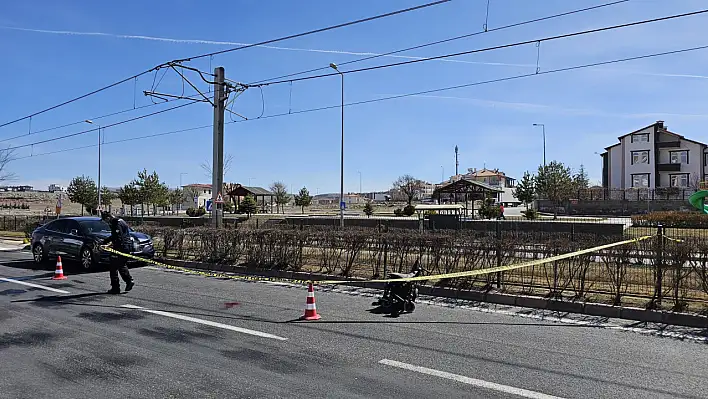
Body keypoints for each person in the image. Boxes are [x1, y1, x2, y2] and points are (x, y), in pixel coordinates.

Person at [100, 211, 135, 294]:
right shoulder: (120, 221)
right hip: (124, 246)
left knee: (117, 266)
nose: (106, 223)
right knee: (117, 266)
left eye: (105, 220)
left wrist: (109, 245)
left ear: (108, 218)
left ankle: (126, 282)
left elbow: (118, 237)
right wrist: (105, 241)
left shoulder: (116, 223)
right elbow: (115, 236)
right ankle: (119, 285)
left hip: (121, 247)